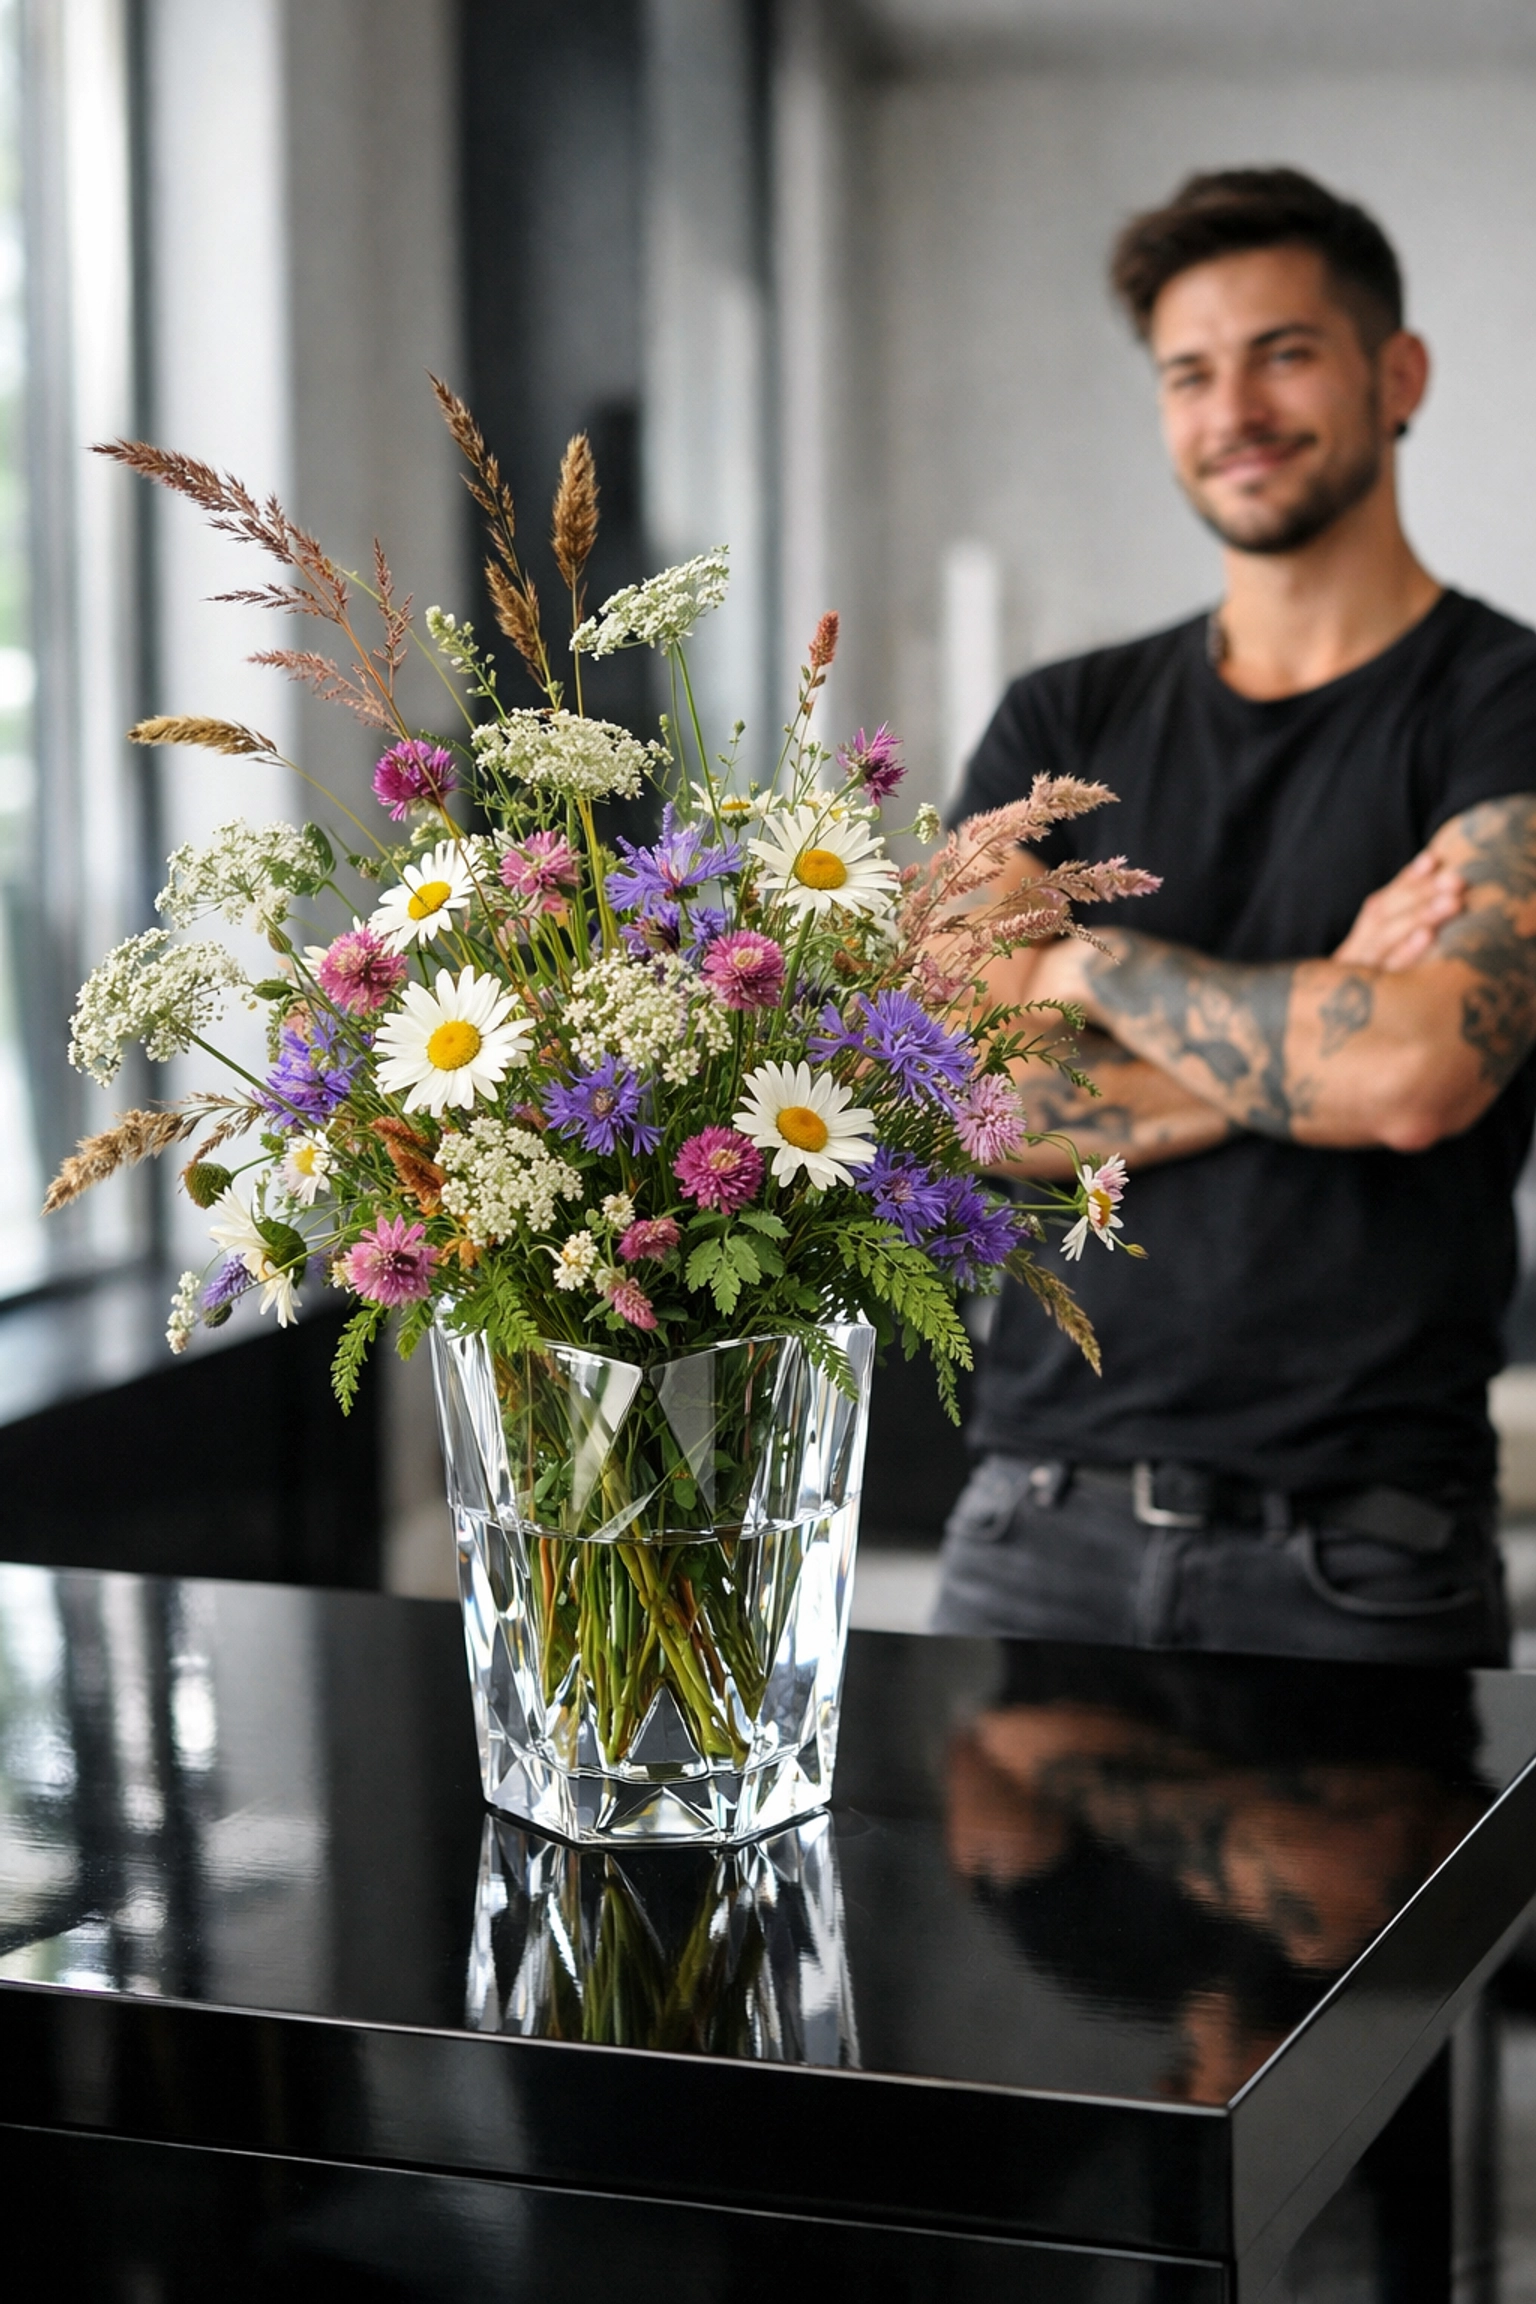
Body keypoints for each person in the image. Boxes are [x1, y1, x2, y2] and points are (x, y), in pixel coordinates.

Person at [933, 167, 1536, 1664]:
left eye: (1284, 353)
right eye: (1189, 373)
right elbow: (972, 1105)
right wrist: (1327, 1002)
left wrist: (1086, 957)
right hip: (1030, 1517)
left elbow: (1418, 1075)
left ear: (1396, 374)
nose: (1234, 409)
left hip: (1363, 1550)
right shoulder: (1058, 719)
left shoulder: (1504, 707)